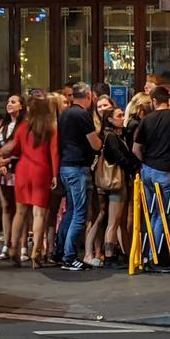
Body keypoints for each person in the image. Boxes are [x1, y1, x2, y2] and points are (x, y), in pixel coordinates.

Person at [0, 97, 59, 269]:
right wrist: (55, 175)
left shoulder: (22, 128)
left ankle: (13, 249)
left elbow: (16, 149)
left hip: (23, 169)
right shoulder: (50, 129)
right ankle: (36, 253)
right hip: (42, 171)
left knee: (20, 212)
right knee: (39, 214)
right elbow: (54, 153)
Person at [133, 86, 170, 273]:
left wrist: (145, 162)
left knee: (152, 213)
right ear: (166, 100)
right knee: (163, 214)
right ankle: (156, 256)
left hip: (148, 171)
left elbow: (136, 148)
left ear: (153, 101)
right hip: (167, 171)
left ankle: (149, 253)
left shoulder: (147, 120)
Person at [56, 82, 102, 271]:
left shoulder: (65, 114)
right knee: (80, 213)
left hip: (66, 165)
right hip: (78, 167)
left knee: (71, 211)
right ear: (89, 96)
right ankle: (70, 257)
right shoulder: (82, 115)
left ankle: (60, 252)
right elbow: (95, 144)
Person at [86, 107, 140, 268]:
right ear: (109, 119)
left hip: (104, 182)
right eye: (119, 115)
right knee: (113, 221)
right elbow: (120, 157)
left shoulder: (108, 135)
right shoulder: (111, 137)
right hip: (115, 182)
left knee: (104, 217)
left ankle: (113, 252)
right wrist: (135, 166)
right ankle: (109, 255)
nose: (122, 118)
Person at [0, 94, 28, 261]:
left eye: (13, 102)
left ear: (21, 106)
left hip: (19, 169)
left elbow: (24, 149)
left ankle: (22, 246)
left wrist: (8, 159)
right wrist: (0, 163)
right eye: (8, 102)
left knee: (21, 209)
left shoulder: (25, 125)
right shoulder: (2, 125)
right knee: (6, 207)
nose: (9, 104)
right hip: (3, 171)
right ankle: (6, 244)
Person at [45, 92, 68, 262]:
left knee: (47, 213)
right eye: (64, 102)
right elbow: (54, 152)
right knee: (51, 212)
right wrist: (55, 174)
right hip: (52, 172)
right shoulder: (55, 125)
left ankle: (46, 247)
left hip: (41, 171)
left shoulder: (40, 125)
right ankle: (50, 248)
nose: (67, 105)